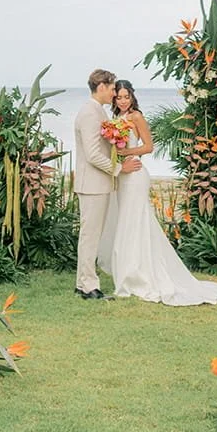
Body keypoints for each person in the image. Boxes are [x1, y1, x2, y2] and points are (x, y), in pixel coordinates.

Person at [97, 79, 217, 306]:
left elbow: (148, 146)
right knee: (124, 222)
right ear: (114, 98)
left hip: (135, 174)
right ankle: (128, 271)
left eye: (126, 96)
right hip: (122, 176)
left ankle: (138, 274)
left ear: (132, 97)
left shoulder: (136, 116)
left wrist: (127, 151)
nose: (123, 100)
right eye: (119, 97)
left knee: (135, 222)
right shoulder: (114, 120)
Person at [74, 69, 143, 300]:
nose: (114, 93)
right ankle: (89, 287)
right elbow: (93, 154)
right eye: (113, 88)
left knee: (90, 235)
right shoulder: (90, 113)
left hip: (98, 184)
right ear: (101, 87)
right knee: (90, 236)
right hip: (92, 185)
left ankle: (81, 282)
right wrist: (118, 169)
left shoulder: (97, 112)